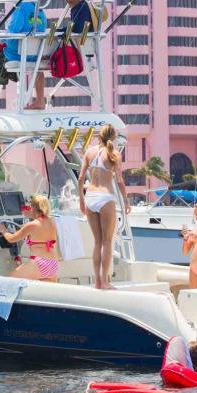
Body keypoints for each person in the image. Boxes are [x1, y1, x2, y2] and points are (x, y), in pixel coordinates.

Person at [78, 124, 129, 289]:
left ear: (99, 136)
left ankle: (97, 282)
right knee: (107, 242)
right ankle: (105, 282)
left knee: (97, 242)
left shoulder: (89, 152)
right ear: (113, 137)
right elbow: (119, 181)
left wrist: (81, 199)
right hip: (106, 197)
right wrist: (126, 200)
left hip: (90, 197)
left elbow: (80, 179)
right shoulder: (114, 154)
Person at [0, 194, 60, 282]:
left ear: (33, 207)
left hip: (39, 263)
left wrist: (3, 230)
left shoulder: (32, 225)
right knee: (45, 294)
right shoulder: (51, 222)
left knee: (9, 283)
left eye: (30, 206)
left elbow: (11, 239)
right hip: (52, 264)